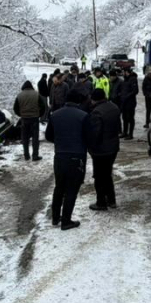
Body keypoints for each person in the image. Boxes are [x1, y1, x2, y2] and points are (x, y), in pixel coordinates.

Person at [45, 90, 91, 230]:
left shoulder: (54, 115)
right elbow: (89, 137)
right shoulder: (83, 116)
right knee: (72, 189)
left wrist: (60, 142)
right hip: (77, 157)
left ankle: (55, 218)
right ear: (78, 102)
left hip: (59, 156)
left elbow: (48, 136)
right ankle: (66, 221)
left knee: (59, 187)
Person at [87, 88, 122, 211]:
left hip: (101, 150)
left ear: (94, 99)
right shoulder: (114, 107)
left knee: (99, 176)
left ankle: (101, 202)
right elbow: (119, 127)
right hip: (113, 147)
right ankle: (111, 200)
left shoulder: (96, 112)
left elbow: (95, 134)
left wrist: (90, 148)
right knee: (107, 174)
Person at [13, 81, 46, 161]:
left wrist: (21, 114)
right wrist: (39, 115)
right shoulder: (36, 94)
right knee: (35, 138)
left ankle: (26, 155)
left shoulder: (19, 95)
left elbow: (15, 108)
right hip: (34, 118)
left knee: (25, 138)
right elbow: (43, 106)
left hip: (24, 119)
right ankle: (35, 156)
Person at [120, 67, 140, 139]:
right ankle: (125, 132)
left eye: (123, 72)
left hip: (130, 103)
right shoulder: (125, 80)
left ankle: (130, 134)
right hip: (124, 103)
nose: (122, 73)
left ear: (127, 72)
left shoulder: (133, 79)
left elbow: (135, 91)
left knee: (130, 118)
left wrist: (126, 96)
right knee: (124, 118)